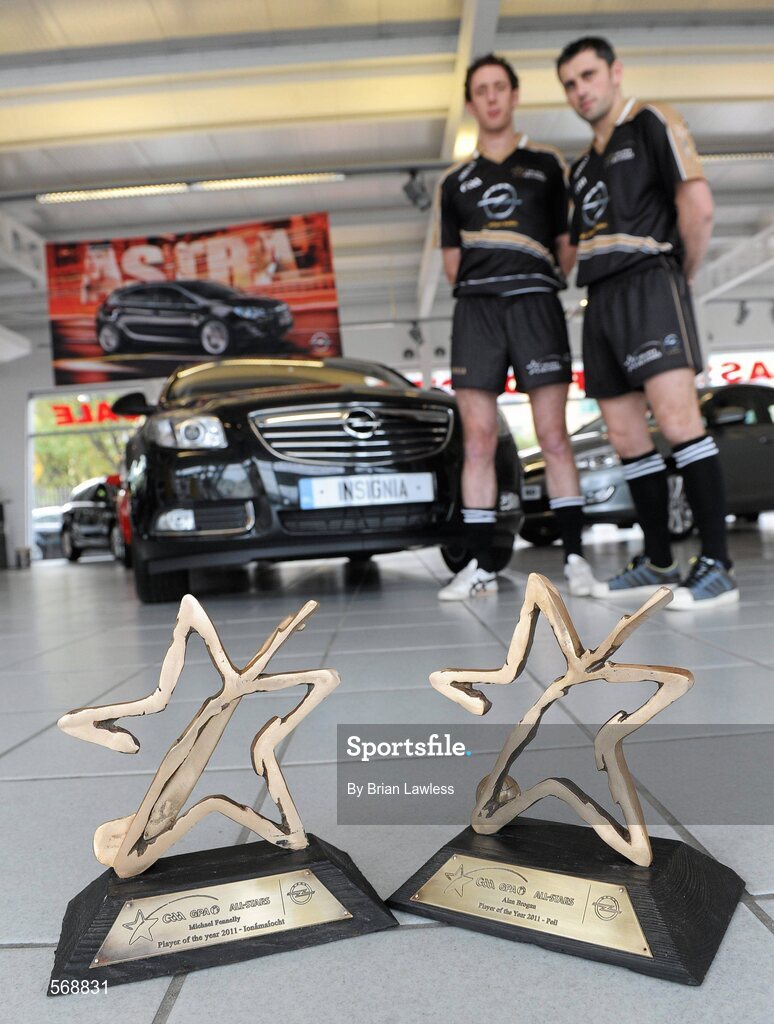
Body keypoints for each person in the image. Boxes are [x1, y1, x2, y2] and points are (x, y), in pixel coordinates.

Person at [556, 37, 738, 609]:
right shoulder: (581, 167)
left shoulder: (652, 121)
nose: (580, 90)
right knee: (625, 436)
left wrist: (678, 276)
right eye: (569, 83)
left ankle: (718, 565)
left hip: (651, 281)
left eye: (588, 75)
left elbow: (698, 207)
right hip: (600, 298)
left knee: (680, 422)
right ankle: (659, 559)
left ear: (615, 72)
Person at [436, 53, 597, 602]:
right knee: (479, 440)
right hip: (476, 312)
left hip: (536, 306)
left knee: (553, 436)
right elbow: (451, 265)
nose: (491, 97)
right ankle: (480, 565)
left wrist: (532, 275)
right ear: (470, 103)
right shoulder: (454, 182)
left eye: (499, 87)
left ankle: (576, 559)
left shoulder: (548, 164)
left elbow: (567, 248)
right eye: (481, 90)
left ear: (514, 94)